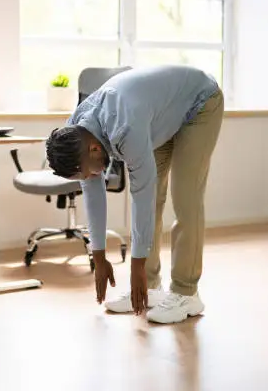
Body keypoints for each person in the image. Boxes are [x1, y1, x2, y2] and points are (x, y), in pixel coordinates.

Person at [45, 65, 224, 324]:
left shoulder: (125, 129)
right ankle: (149, 287)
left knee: (186, 197)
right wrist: (98, 255)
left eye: (87, 173)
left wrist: (135, 265)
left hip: (199, 102)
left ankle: (187, 293)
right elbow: (95, 196)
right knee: (153, 204)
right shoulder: (74, 134)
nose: (89, 179)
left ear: (95, 149)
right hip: (160, 114)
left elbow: (142, 194)